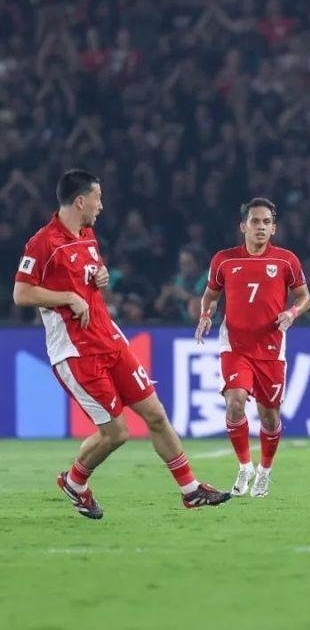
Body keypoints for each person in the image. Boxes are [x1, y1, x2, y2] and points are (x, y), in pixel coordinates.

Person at [12, 169, 230, 519]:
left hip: (110, 339)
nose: (101, 205)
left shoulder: (87, 235)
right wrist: (67, 297)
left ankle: (191, 491)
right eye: (97, 198)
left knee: (155, 415)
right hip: (77, 351)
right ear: (80, 201)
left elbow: (92, 275)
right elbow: (21, 293)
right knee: (116, 433)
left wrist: (100, 275)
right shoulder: (43, 243)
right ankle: (74, 481)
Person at [195, 198, 310, 498]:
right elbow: (211, 295)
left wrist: (292, 313)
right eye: (255, 221)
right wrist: (205, 315)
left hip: (271, 348)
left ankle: (264, 472)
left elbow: (304, 297)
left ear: (274, 229)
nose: (261, 227)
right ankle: (244, 466)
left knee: (269, 416)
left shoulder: (286, 261)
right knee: (235, 403)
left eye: (266, 222)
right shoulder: (224, 260)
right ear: (243, 226)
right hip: (235, 345)